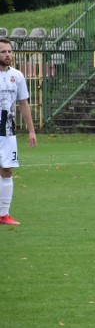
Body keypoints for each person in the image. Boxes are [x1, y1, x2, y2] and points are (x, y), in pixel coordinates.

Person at [0, 38, 37, 226]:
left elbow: (23, 103)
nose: (8, 55)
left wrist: (31, 131)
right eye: (3, 52)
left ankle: (4, 215)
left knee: (7, 170)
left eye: (9, 51)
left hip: (7, 128)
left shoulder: (17, 76)